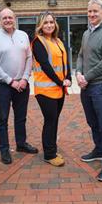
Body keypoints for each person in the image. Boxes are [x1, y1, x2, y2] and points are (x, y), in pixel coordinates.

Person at [0, 7, 39, 164]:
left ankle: (21, 144)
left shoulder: (23, 35)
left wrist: (24, 78)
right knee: (2, 118)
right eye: (4, 18)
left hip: (22, 84)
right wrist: (10, 81)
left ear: (14, 18)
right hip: (2, 85)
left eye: (10, 17)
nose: (8, 20)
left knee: (21, 117)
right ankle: (4, 149)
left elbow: (29, 57)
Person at [76, 0, 102, 182]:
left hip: (101, 87)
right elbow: (80, 55)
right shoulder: (86, 33)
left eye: (95, 11)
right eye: (89, 11)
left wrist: (86, 77)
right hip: (86, 87)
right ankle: (99, 150)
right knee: (92, 122)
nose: (92, 14)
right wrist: (77, 72)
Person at [31, 11, 71, 167]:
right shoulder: (38, 42)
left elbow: (65, 63)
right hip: (46, 91)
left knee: (54, 120)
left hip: (59, 89)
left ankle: (52, 149)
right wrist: (61, 82)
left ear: (55, 24)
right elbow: (46, 66)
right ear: (40, 25)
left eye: (51, 22)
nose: (49, 25)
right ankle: (49, 154)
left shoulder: (58, 41)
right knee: (50, 121)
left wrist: (68, 77)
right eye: (45, 22)